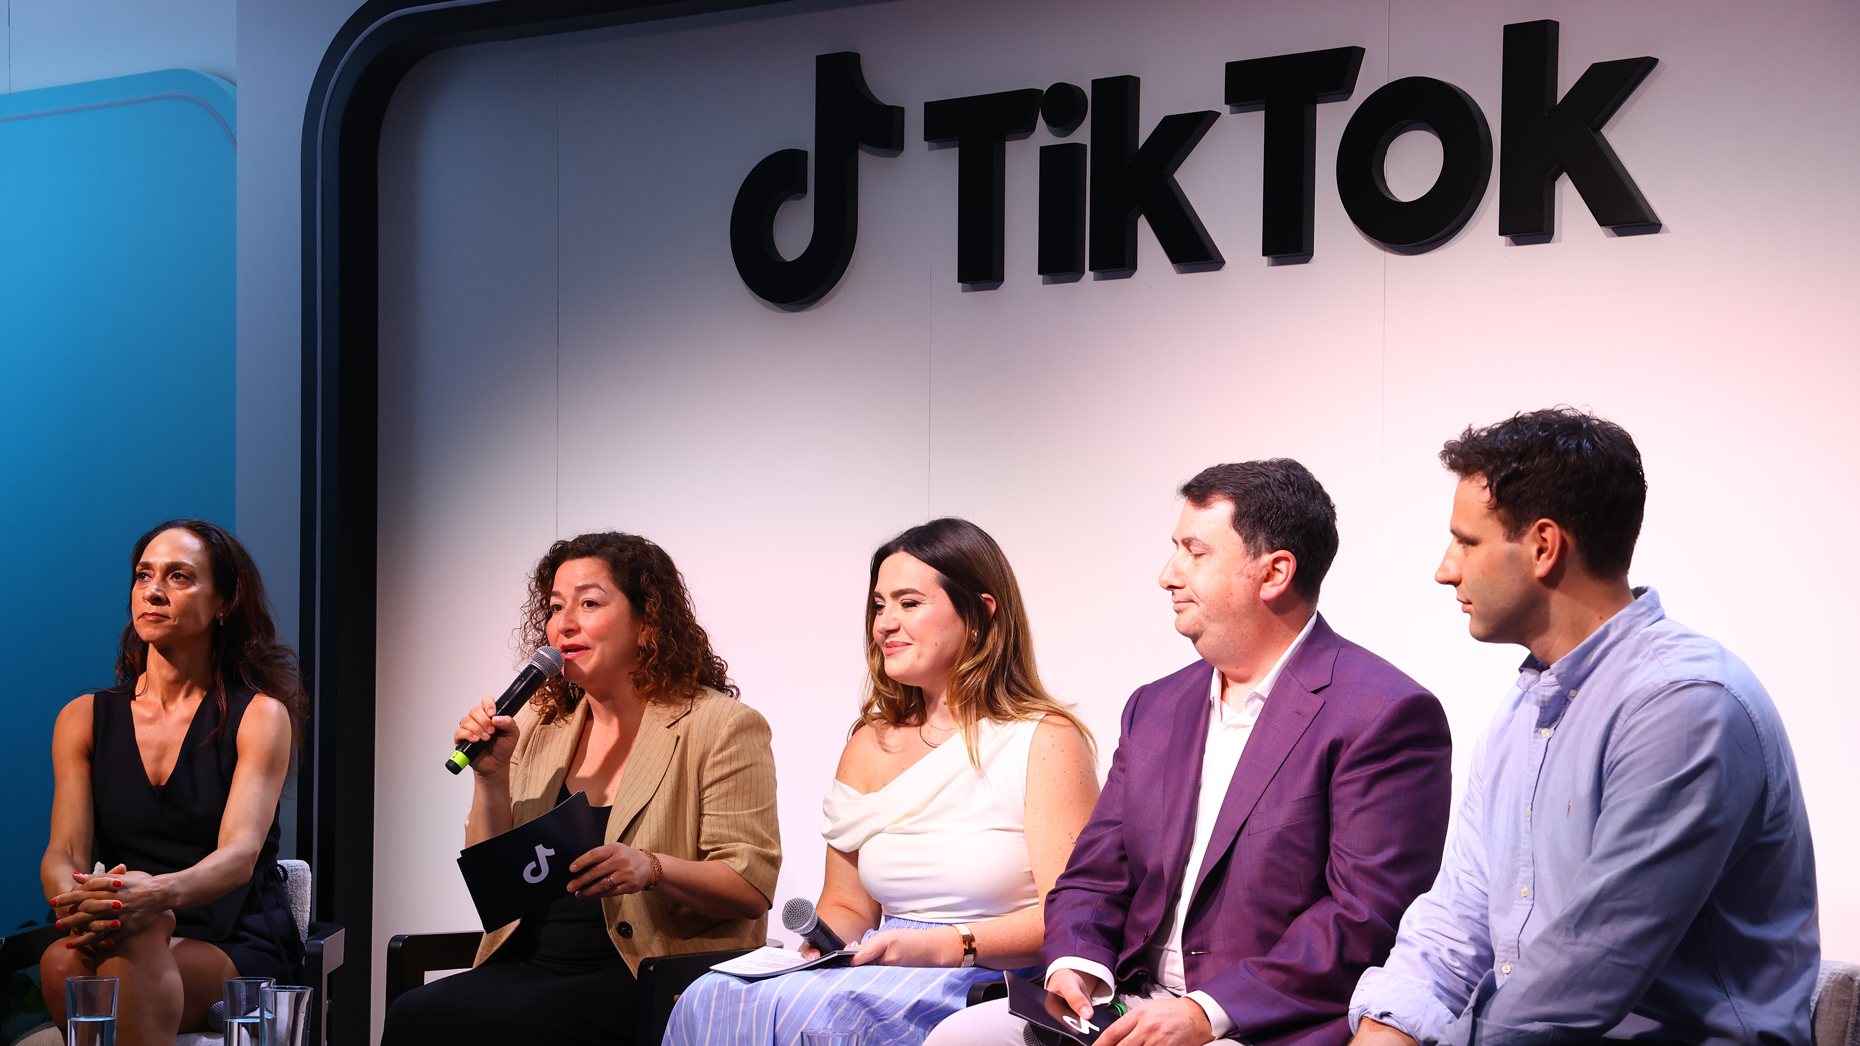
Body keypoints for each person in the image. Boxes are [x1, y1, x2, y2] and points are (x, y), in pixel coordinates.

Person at [931, 459, 1453, 1046]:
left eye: (1195, 553)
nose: (1167, 575)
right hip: (1128, 999)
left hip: (1259, 1023)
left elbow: (1364, 918)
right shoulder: (1155, 706)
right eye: (1174, 549)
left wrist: (1206, 1011)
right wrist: (1077, 963)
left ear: (1275, 573)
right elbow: (1095, 874)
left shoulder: (1384, 713)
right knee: (960, 1037)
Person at [1349, 409, 1819, 1046]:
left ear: (1544, 547)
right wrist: (1387, 1028)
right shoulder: (1520, 713)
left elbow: (1585, 973)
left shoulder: (1685, 706)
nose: (1445, 569)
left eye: (1466, 542)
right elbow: (1456, 919)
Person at [665, 517, 1100, 1046]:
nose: (884, 624)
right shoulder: (868, 744)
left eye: (909, 603)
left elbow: (1073, 916)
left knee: (822, 1017)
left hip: (985, 978)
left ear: (981, 612)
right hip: (880, 967)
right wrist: (819, 950)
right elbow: (848, 906)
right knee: (711, 995)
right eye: (879, 605)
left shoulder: (1044, 740)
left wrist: (944, 945)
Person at [381, 532, 781, 1045]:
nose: (563, 624)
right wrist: (490, 778)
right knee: (415, 1012)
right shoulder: (540, 724)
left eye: (589, 603)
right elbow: (494, 886)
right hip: (530, 963)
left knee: (511, 1026)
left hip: (650, 973)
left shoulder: (721, 726)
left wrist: (651, 868)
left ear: (648, 621)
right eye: (555, 608)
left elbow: (749, 887)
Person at [39, 520, 307, 1046]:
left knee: (134, 941)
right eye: (144, 576)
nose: (154, 591)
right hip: (124, 921)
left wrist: (155, 897)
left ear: (224, 602)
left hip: (232, 936)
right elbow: (64, 851)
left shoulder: (260, 716)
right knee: (59, 961)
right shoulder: (82, 717)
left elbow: (239, 856)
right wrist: (81, 904)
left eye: (179, 577)